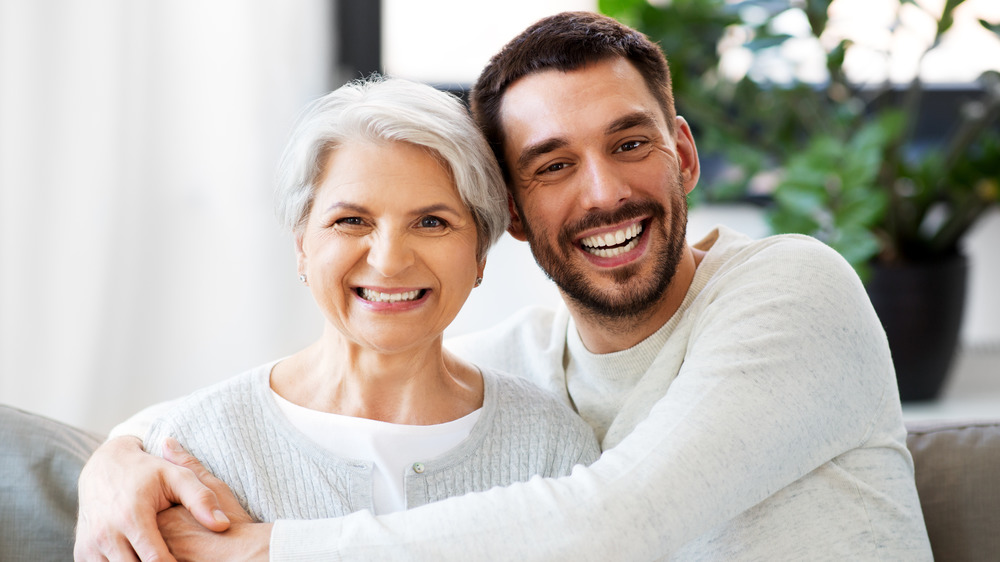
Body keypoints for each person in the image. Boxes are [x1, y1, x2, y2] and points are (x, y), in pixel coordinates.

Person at [76, 11, 933, 561]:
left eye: (630, 144)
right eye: (553, 165)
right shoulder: (530, 363)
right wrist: (114, 460)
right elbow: (343, 378)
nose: (602, 192)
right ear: (515, 219)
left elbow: (617, 521)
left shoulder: (793, 288)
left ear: (684, 154)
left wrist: (269, 551)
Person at [74, 74, 600, 559]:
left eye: (432, 222)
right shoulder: (192, 451)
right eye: (351, 220)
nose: (390, 260)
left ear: (480, 255)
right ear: (302, 247)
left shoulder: (553, 449)